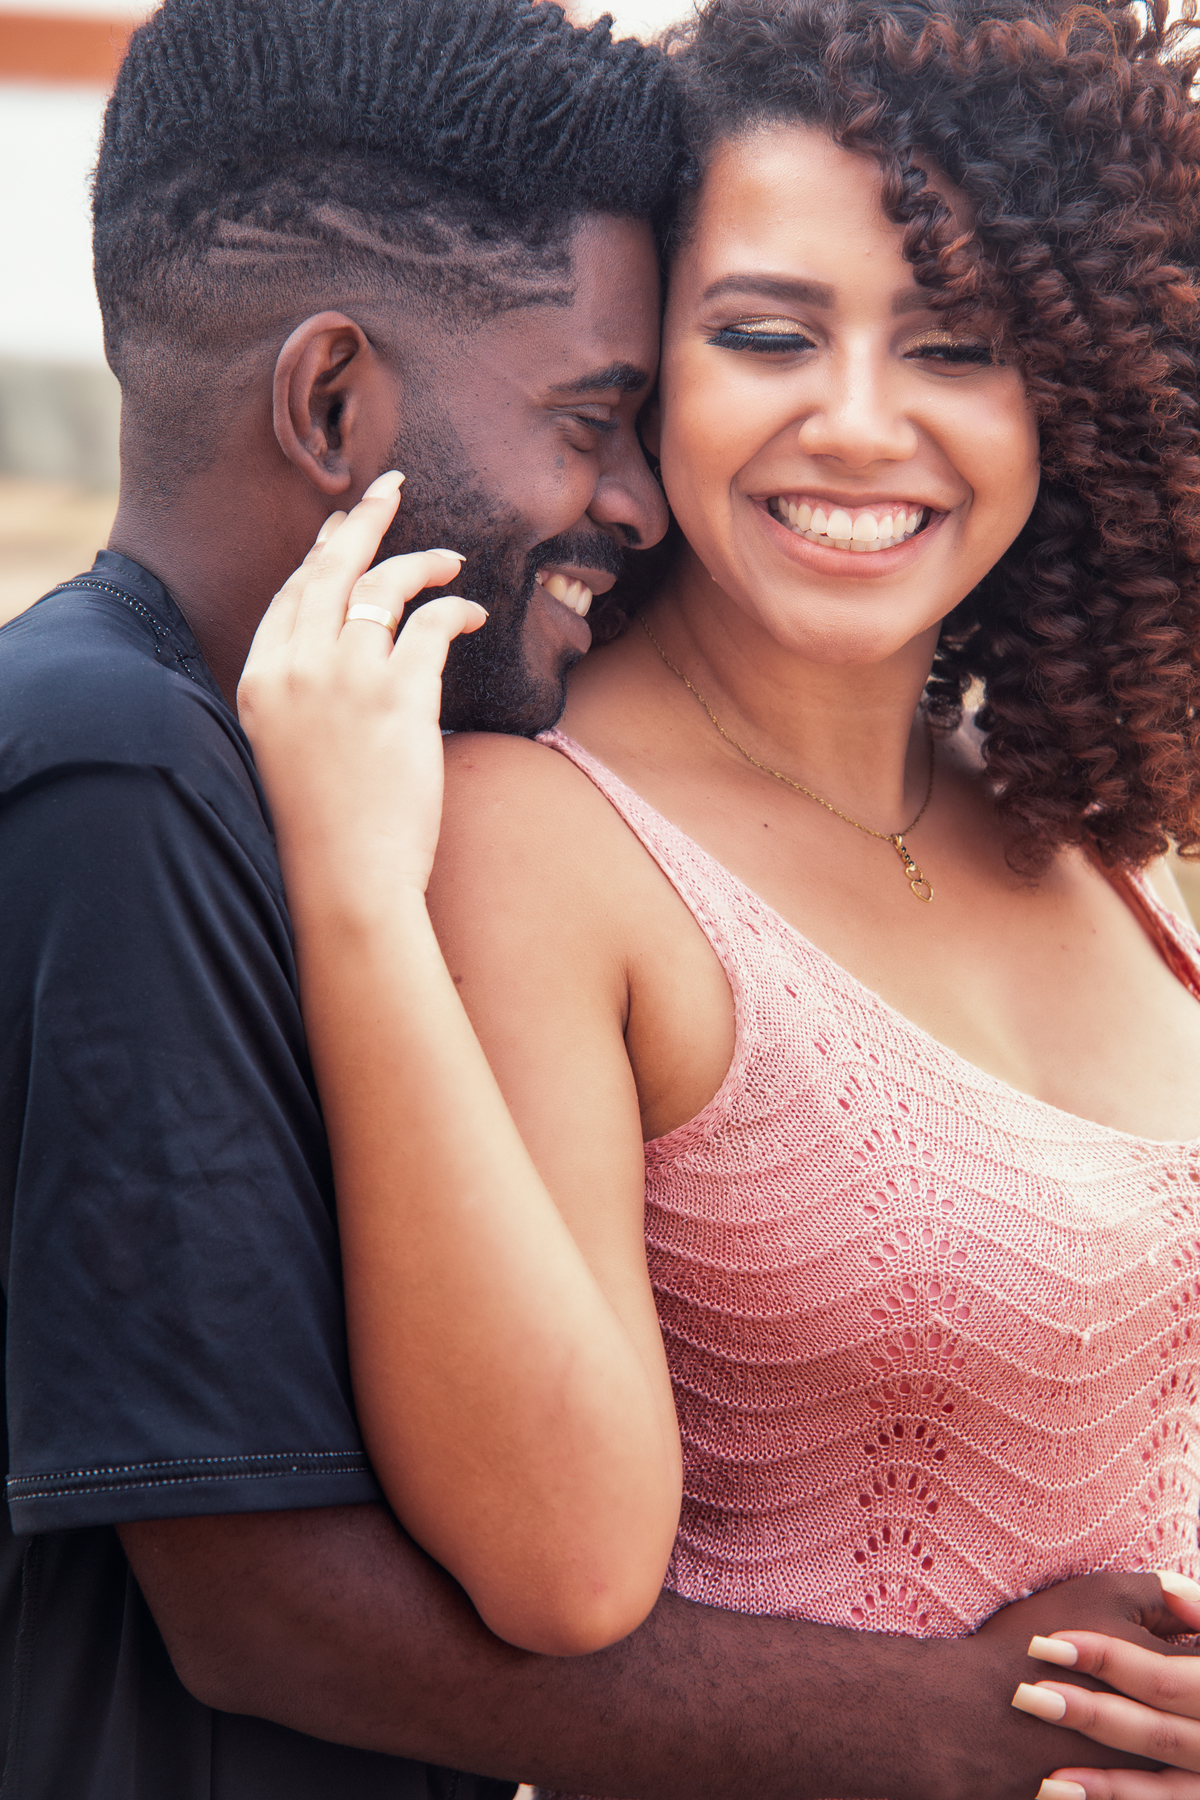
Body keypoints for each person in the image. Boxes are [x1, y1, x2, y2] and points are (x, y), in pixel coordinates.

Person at [237, 0, 1200, 1795]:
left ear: (1071, 389)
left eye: (959, 345)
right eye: (766, 334)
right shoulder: (531, 837)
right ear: (650, 366)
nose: (859, 425)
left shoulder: (1084, 821)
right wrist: (357, 907)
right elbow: (558, 1569)